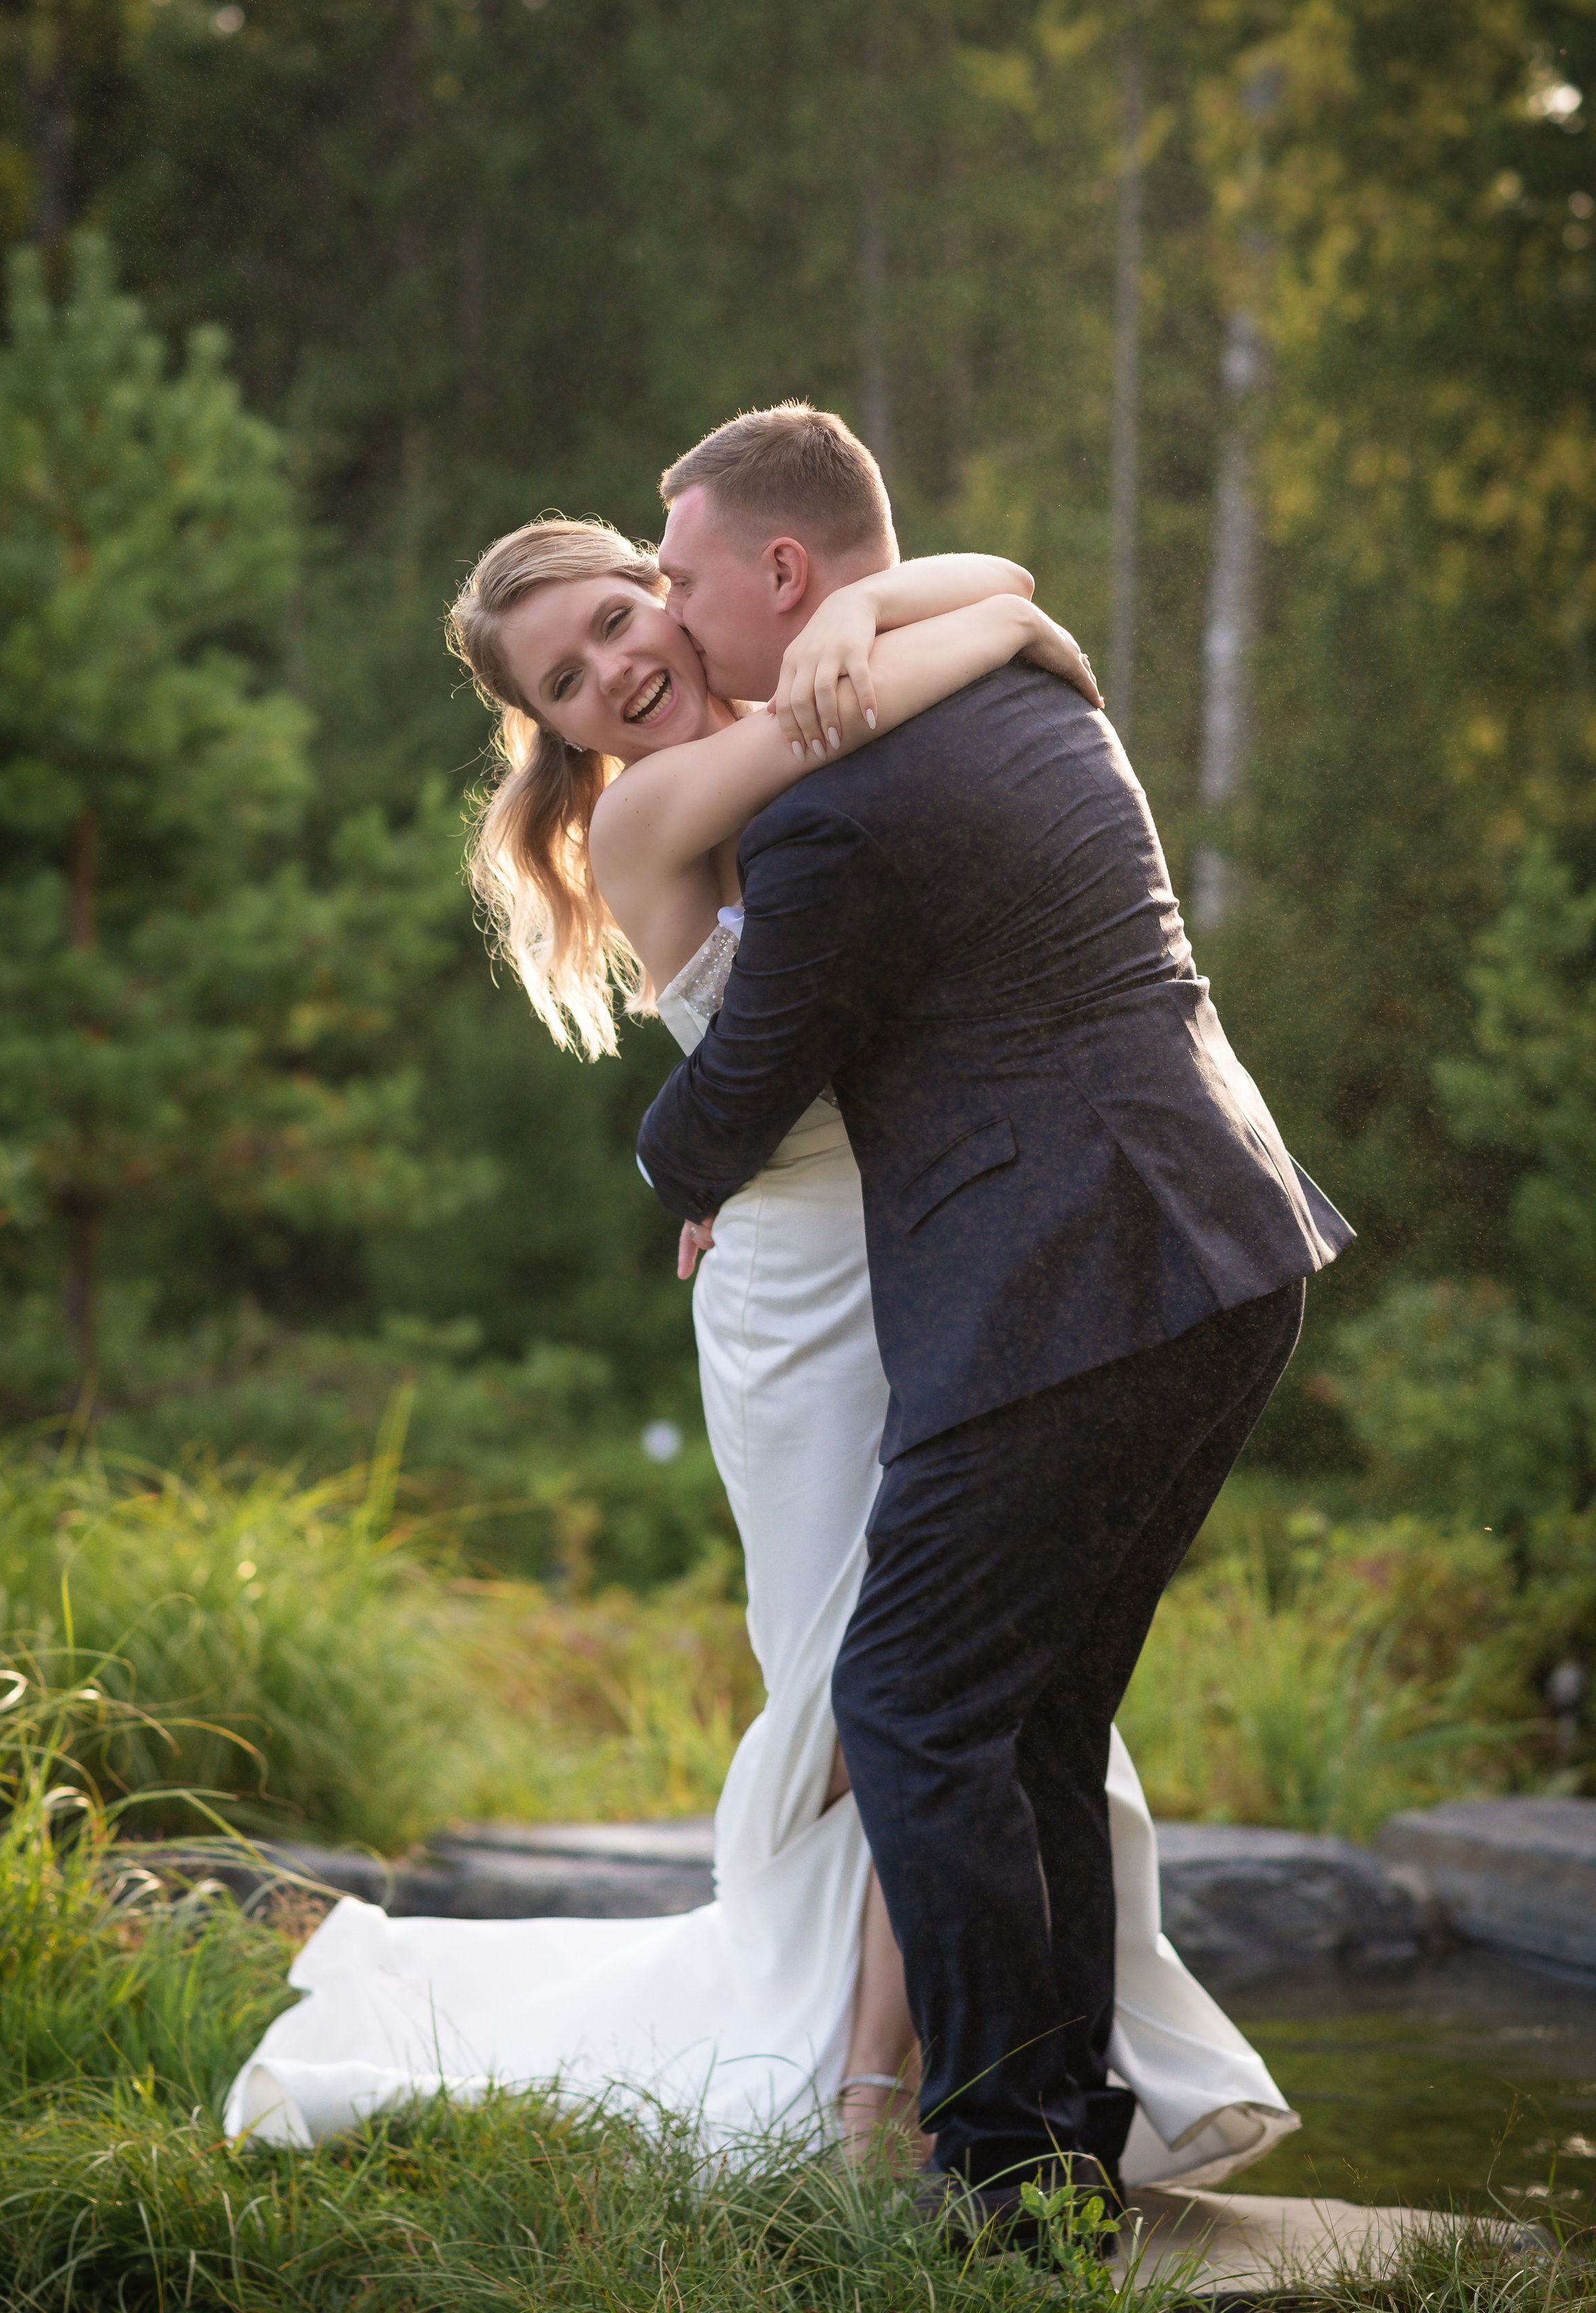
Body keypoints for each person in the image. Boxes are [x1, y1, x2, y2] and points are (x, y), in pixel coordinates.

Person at [224, 479, 1304, 2202]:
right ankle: (882, 2096)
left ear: (661, 589)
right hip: (808, 1294)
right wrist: (995, 631)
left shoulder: (809, 685)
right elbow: (940, 645)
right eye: (563, 683)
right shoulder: (662, 805)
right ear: (557, 733)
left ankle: (938, 2094)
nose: (609, 672)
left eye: (613, 618)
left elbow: (989, 574)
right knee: (879, 1700)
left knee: (958, 1690)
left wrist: (893, 606)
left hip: (960, 1249)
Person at [636, 404, 1352, 2246]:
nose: (667, 604)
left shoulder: (831, 812)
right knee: (1032, 1721)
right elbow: (996, 597)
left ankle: (1002, 2181)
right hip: (1222, 1248)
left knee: (908, 1704)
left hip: (1070, 1285)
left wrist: (671, 1161)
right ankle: (1050, 2166)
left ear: (781, 569)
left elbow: (725, 1112)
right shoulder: (1017, 685)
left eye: (682, 571)